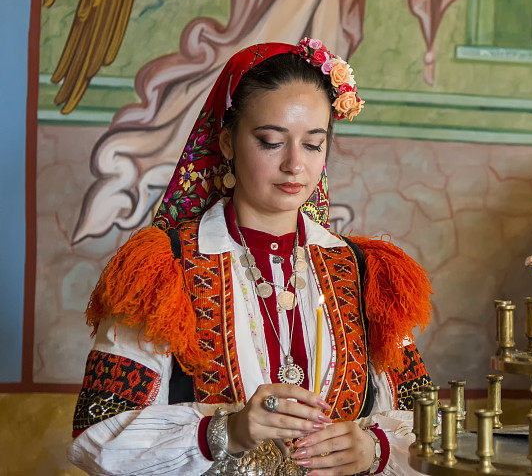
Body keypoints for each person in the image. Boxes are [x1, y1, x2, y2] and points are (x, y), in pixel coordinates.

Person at [67, 39, 433, 476]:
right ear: (226, 141)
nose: (295, 165)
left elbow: (431, 428)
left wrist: (375, 449)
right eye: (271, 141)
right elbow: (97, 434)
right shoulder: (166, 270)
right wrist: (225, 432)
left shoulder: (365, 272)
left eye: (313, 145)